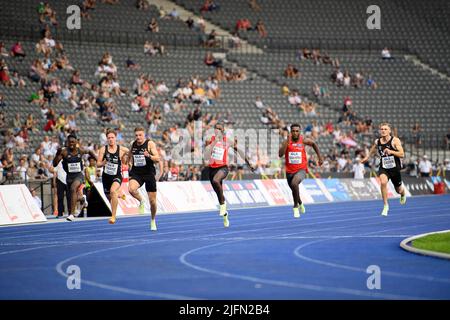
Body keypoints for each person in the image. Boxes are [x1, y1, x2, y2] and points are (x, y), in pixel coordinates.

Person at [204, 123, 255, 227]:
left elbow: (239, 151)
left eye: (220, 129)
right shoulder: (210, 139)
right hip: (211, 169)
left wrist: (249, 163)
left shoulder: (228, 141)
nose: (217, 130)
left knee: (215, 181)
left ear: (223, 131)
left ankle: (223, 207)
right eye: (216, 128)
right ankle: (225, 214)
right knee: (218, 193)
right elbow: (206, 155)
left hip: (223, 168)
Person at [361, 123, 406, 216]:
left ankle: (403, 193)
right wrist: (367, 157)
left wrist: (391, 151)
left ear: (389, 131)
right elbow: (373, 148)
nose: (383, 130)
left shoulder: (395, 141)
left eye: (385, 129)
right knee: (383, 182)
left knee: (398, 190)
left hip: (395, 168)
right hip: (384, 167)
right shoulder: (378, 141)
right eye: (381, 129)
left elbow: (402, 154)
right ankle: (386, 205)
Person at [279, 123, 323, 218]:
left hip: (301, 170)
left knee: (295, 184)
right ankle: (300, 203)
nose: (295, 133)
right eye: (293, 131)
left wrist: (320, 157)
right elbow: (280, 154)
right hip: (289, 171)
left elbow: (314, 144)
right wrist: (287, 142)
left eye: (297, 131)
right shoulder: (286, 141)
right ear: (291, 132)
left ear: (299, 132)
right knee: (294, 190)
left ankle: (295, 207)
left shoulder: (303, 140)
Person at [52, 134, 97, 221]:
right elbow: (54, 164)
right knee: (72, 196)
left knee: (73, 189)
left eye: (73, 142)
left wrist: (97, 159)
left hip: (79, 175)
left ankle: (72, 214)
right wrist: (57, 154)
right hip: (69, 177)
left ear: (76, 142)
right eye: (70, 142)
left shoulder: (80, 150)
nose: (71, 144)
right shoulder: (64, 152)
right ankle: (82, 198)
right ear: (67, 143)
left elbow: (90, 152)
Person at [128, 127, 160, 231]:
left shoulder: (150, 144)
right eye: (136, 135)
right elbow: (129, 155)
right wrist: (129, 162)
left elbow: (158, 159)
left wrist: (149, 155)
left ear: (144, 135)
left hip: (149, 174)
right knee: (131, 189)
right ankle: (141, 201)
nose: (138, 137)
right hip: (137, 173)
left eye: (140, 135)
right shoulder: (133, 144)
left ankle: (153, 220)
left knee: (152, 202)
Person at [97, 128, 129, 224]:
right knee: (110, 196)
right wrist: (103, 162)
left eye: (112, 137)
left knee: (112, 191)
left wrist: (127, 161)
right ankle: (120, 195)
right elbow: (98, 164)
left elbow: (131, 154)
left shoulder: (122, 149)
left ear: (116, 138)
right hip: (106, 177)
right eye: (109, 138)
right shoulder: (103, 149)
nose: (111, 139)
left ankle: (113, 216)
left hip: (117, 175)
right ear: (107, 139)